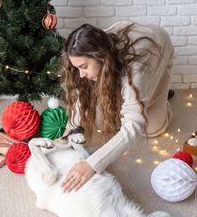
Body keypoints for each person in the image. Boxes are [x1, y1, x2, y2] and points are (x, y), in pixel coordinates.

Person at [60, 20, 174, 193]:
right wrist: (68, 132)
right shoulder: (87, 50)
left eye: (83, 67)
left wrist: (92, 164)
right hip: (128, 44)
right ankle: (139, 98)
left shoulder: (137, 70)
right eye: (77, 68)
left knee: (152, 128)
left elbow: (134, 126)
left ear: (101, 57)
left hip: (158, 47)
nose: (81, 74)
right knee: (113, 97)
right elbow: (80, 97)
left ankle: (157, 97)